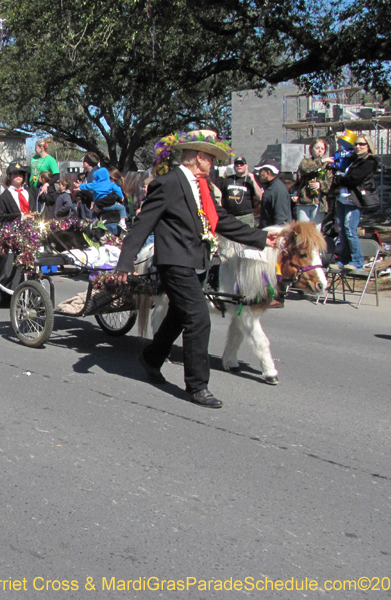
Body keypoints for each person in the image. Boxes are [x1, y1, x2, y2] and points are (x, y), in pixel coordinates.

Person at [114, 131, 276, 408]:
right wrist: (125, 262)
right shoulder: (167, 184)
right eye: (211, 158)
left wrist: (260, 238)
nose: (213, 163)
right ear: (199, 158)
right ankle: (197, 386)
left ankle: (151, 358)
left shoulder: (202, 186)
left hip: (197, 262)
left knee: (178, 316)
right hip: (175, 263)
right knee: (199, 319)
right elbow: (143, 224)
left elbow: (220, 220)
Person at [333, 134, 378, 269]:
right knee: (342, 230)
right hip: (343, 199)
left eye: (362, 144)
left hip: (355, 200)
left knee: (350, 229)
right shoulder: (353, 160)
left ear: (368, 146)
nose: (358, 147)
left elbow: (353, 180)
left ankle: (357, 261)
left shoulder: (369, 162)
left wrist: (338, 179)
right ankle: (344, 260)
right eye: (356, 144)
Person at [295, 138, 334, 230]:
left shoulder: (327, 166)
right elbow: (305, 169)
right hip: (304, 201)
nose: (320, 150)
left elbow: (330, 183)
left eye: (322, 149)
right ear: (311, 149)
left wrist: (320, 185)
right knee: (303, 230)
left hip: (319, 202)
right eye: (317, 148)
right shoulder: (306, 161)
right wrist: (321, 162)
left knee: (316, 230)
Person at [75, 166, 126, 235]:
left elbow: (107, 199)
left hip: (111, 223)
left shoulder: (113, 192)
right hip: (106, 221)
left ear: (112, 179)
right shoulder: (113, 188)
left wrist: (97, 203)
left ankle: (93, 223)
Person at [217, 156, 262, 227]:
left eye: (241, 164)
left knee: (247, 237)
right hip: (230, 216)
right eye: (237, 164)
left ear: (246, 166)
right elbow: (219, 196)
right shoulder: (227, 180)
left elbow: (260, 197)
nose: (239, 166)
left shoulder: (250, 180)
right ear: (234, 167)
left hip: (246, 217)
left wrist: (253, 180)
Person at [256, 161, 291, 228]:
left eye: (260, 171)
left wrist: (277, 235)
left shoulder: (278, 190)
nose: (258, 174)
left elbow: (281, 218)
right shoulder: (271, 187)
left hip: (274, 234)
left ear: (267, 173)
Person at [29, 140, 60, 205]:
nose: (35, 149)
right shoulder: (34, 158)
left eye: (36, 147)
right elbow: (30, 171)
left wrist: (47, 184)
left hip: (42, 187)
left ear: (42, 148)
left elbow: (57, 175)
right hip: (32, 187)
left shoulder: (50, 160)